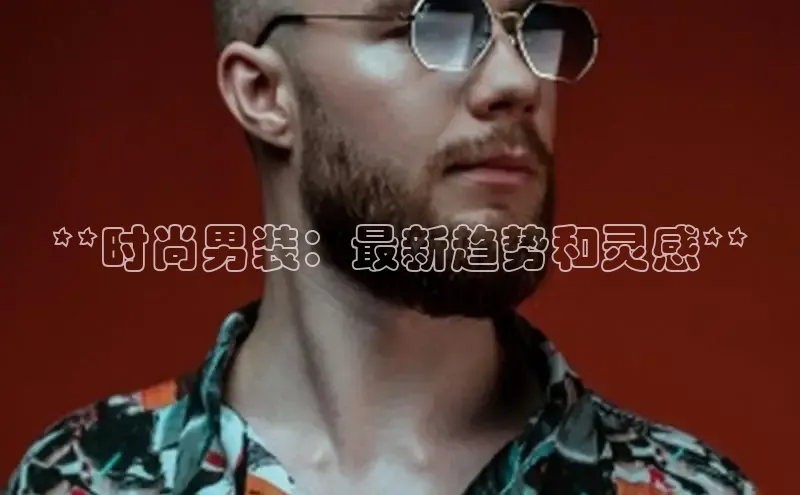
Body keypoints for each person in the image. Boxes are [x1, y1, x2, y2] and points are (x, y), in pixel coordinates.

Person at [5, 0, 758, 493]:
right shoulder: (79, 479)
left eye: (532, 28)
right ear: (264, 95)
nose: (517, 80)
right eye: (435, 23)